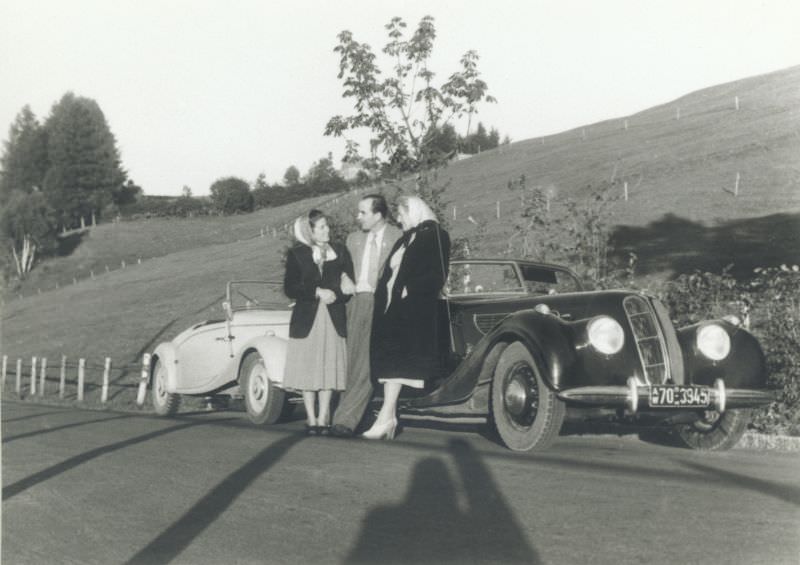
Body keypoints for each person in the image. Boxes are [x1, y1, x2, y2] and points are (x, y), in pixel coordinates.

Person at [363, 195, 451, 440]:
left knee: (398, 366)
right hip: (393, 310)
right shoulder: (405, 239)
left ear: (412, 211)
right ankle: (388, 418)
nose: (398, 219)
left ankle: (386, 418)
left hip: (413, 311)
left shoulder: (436, 235)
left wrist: (410, 289)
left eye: (401, 214)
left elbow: (438, 275)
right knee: (392, 367)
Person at [332, 195, 402, 438]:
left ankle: (345, 420)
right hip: (355, 303)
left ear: (378, 215)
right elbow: (339, 268)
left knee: (365, 362)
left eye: (363, 212)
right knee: (352, 360)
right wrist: (343, 278)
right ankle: (346, 415)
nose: (357, 217)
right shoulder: (353, 239)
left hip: (380, 303)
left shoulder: (398, 237)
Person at [282, 209, 354, 435]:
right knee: (309, 367)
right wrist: (316, 292)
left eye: (327, 226)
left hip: (332, 317)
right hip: (307, 320)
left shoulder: (340, 252)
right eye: (321, 227)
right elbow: (290, 288)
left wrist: (337, 294)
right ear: (310, 231)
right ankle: (311, 418)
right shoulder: (297, 254)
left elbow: (348, 287)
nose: (327, 231)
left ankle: (324, 416)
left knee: (328, 367)